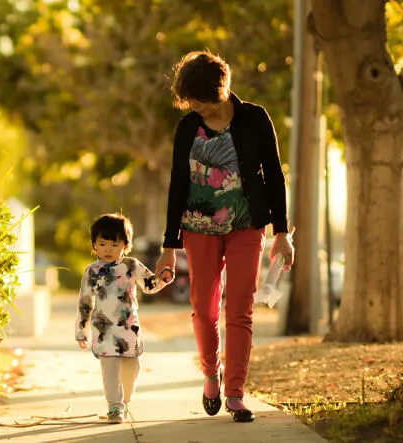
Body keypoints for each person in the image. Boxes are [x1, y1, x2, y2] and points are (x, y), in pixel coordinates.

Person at [155, 50, 295, 423]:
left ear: (219, 92)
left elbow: (275, 177)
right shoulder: (188, 128)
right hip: (197, 228)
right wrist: (169, 246)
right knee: (204, 309)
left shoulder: (255, 118)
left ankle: (235, 392)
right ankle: (209, 373)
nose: (194, 108)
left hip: (247, 225)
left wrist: (281, 232)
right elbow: (178, 185)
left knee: (240, 309)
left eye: (199, 101)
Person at [75, 213, 172, 424]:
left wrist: (163, 279)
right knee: (109, 369)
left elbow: (149, 285)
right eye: (102, 244)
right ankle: (114, 406)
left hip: (129, 329)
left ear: (125, 245)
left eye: (114, 244)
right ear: (94, 245)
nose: (108, 249)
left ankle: (125, 401)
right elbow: (84, 302)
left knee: (132, 367)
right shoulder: (91, 271)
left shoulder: (132, 266)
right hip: (104, 330)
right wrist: (81, 330)